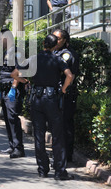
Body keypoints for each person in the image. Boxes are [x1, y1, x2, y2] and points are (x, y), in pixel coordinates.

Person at [11, 34, 74, 180]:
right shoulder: (57, 59)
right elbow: (69, 76)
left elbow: (14, 74)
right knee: (57, 136)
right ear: (55, 46)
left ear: (43, 44)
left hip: (36, 99)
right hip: (52, 100)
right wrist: (64, 89)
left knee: (38, 135)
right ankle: (59, 171)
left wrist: (25, 81)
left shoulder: (33, 59)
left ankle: (42, 169)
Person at [0, 28, 26, 159]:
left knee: (13, 118)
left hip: (12, 89)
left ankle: (18, 148)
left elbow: (19, 71)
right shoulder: (6, 52)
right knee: (8, 118)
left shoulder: (16, 52)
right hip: (5, 89)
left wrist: (14, 88)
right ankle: (12, 145)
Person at [53, 29, 80, 162]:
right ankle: (59, 154)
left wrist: (63, 90)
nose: (55, 41)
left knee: (65, 125)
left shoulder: (67, 55)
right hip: (56, 94)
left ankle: (66, 156)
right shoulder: (54, 52)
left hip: (65, 94)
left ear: (64, 40)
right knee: (57, 125)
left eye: (58, 39)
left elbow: (71, 76)